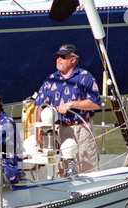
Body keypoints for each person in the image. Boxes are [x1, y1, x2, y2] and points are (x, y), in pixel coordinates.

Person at [35, 44, 100, 172]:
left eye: (63, 57)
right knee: (60, 168)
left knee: (85, 167)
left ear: (73, 59)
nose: (59, 59)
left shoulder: (85, 77)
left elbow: (95, 102)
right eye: (58, 56)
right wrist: (39, 128)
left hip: (80, 129)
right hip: (56, 129)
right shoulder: (51, 79)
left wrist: (71, 104)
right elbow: (39, 104)